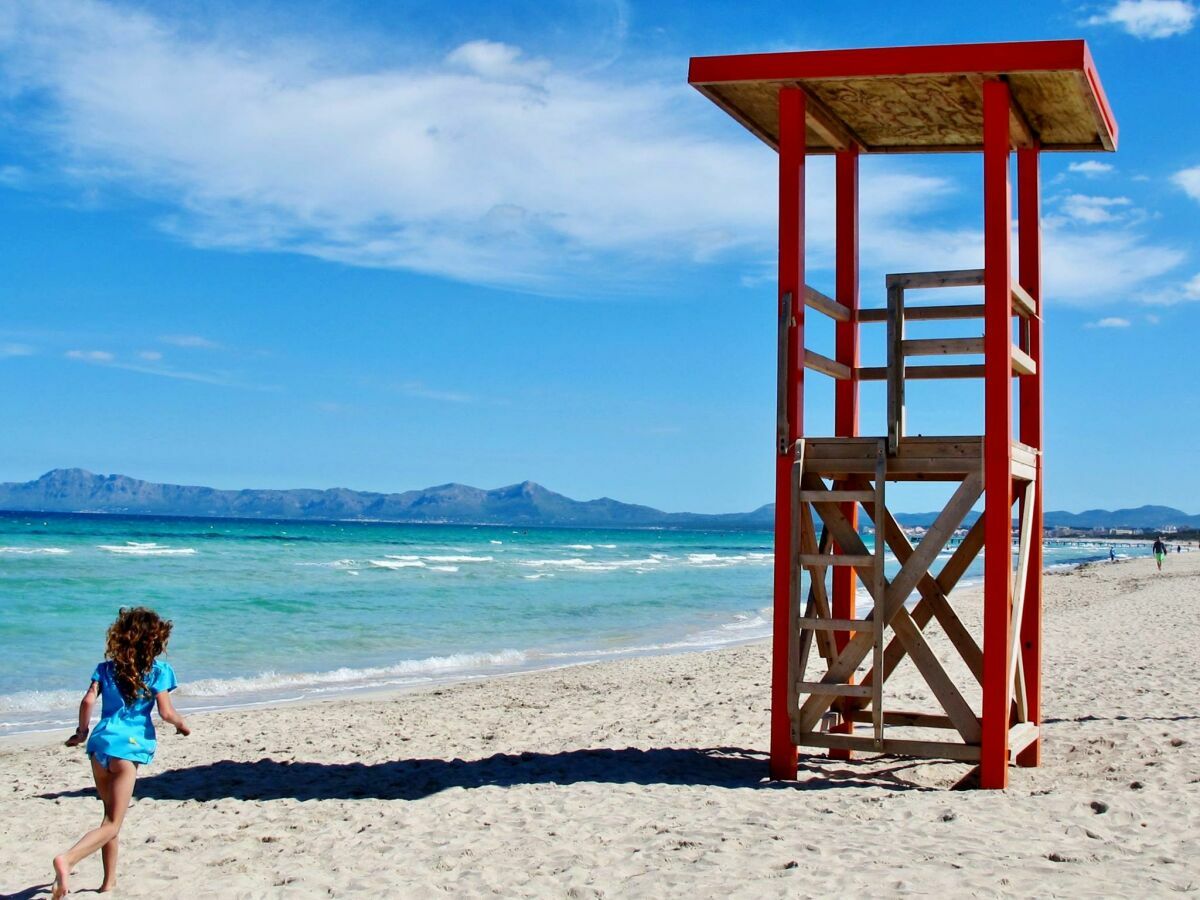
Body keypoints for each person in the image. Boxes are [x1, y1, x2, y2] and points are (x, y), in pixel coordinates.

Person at [51, 607, 190, 898]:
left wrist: (81, 731)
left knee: (108, 818)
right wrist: (182, 724)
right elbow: (165, 712)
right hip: (128, 749)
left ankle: (108, 883)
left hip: (100, 745)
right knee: (113, 823)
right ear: (155, 640)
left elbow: (88, 700)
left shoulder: (105, 669)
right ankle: (68, 859)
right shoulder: (159, 672)